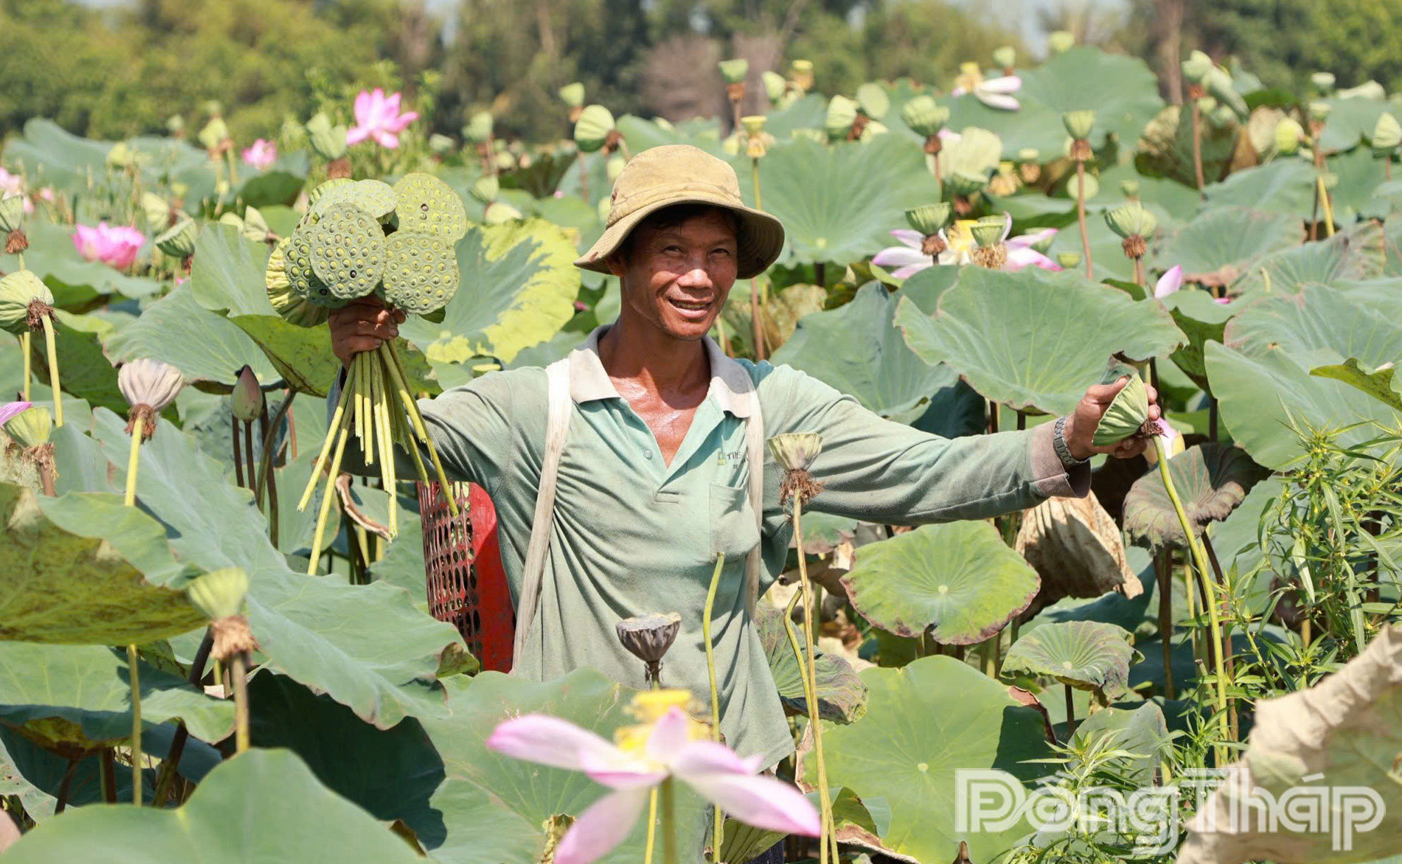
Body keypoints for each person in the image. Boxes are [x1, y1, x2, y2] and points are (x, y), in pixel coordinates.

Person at [328, 144, 1160, 769]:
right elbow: (383, 455)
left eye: (719, 254)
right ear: (621, 258)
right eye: (673, 252)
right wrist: (358, 354)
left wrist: (1067, 439)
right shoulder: (532, 409)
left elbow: (924, 470)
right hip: (581, 775)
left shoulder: (770, 407)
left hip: (734, 771)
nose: (699, 277)